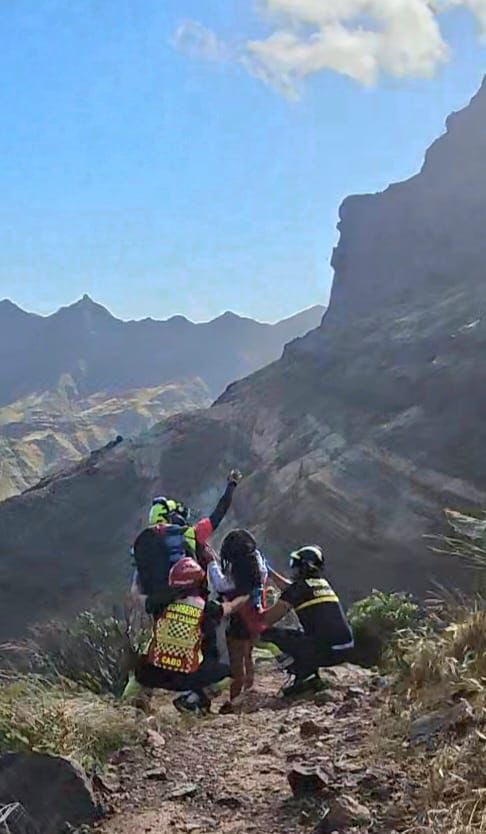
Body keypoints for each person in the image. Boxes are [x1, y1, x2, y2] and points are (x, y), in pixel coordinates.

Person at [135, 557, 231, 714]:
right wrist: (246, 595)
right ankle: (193, 699)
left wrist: (138, 576)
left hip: (153, 673)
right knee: (229, 672)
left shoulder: (159, 604)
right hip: (186, 676)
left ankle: (132, 705)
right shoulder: (205, 608)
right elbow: (229, 608)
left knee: (142, 666)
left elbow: (137, 597)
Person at [261, 545, 354, 697]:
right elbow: (291, 589)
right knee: (301, 636)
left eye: (296, 565)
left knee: (268, 635)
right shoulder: (321, 583)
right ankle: (308, 672)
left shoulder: (299, 589)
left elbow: (267, 619)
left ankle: (304, 674)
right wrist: (269, 573)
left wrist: (243, 612)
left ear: (305, 567)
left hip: (327, 651)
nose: (293, 570)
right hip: (344, 647)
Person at [202, 530, 268, 711]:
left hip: (238, 619)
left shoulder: (238, 578)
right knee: (248, 656)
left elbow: (221, 584)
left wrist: (211, 563)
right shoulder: (257, 567)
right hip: (255, 615)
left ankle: (236, 702)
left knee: (236, 663)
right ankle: (248, 694)